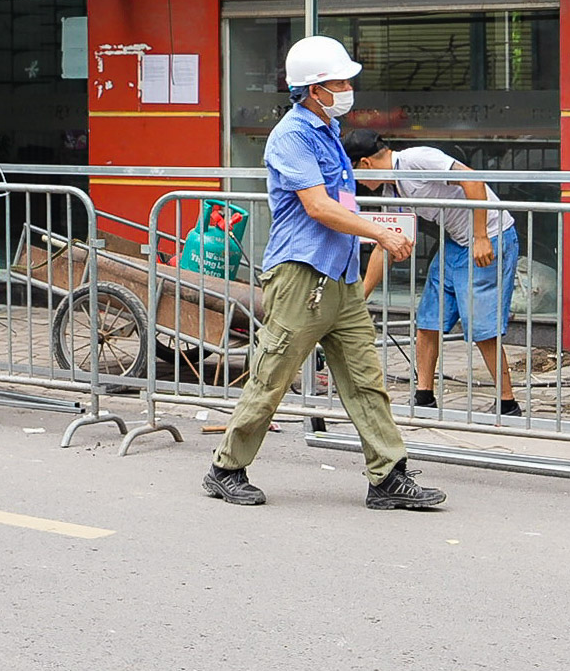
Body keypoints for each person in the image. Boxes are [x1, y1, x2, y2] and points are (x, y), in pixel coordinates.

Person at [203, 36, 447, 510]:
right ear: (313, 89)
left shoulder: (328, 131)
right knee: (272, 374)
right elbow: (317, 206)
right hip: (301, 275)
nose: (346, 88)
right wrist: (380, 232)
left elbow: (342, 197)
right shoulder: (292, 137)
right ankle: (226, 468)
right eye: (338, 81)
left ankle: (388, 476)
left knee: (364, 377)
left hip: (339, 276)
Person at [342, 129, 523, 417]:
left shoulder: (416, 159)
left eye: (354, 174)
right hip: (455, 241)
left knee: (481, 326)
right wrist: (358, 298)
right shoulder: (393, 191)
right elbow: (384, 247)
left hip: (490, 235)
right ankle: (424, 395)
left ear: (364, 163)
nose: (358, 183)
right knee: (429, 319)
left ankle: (507, 402)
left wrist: (480, 238)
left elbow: (472, 179)